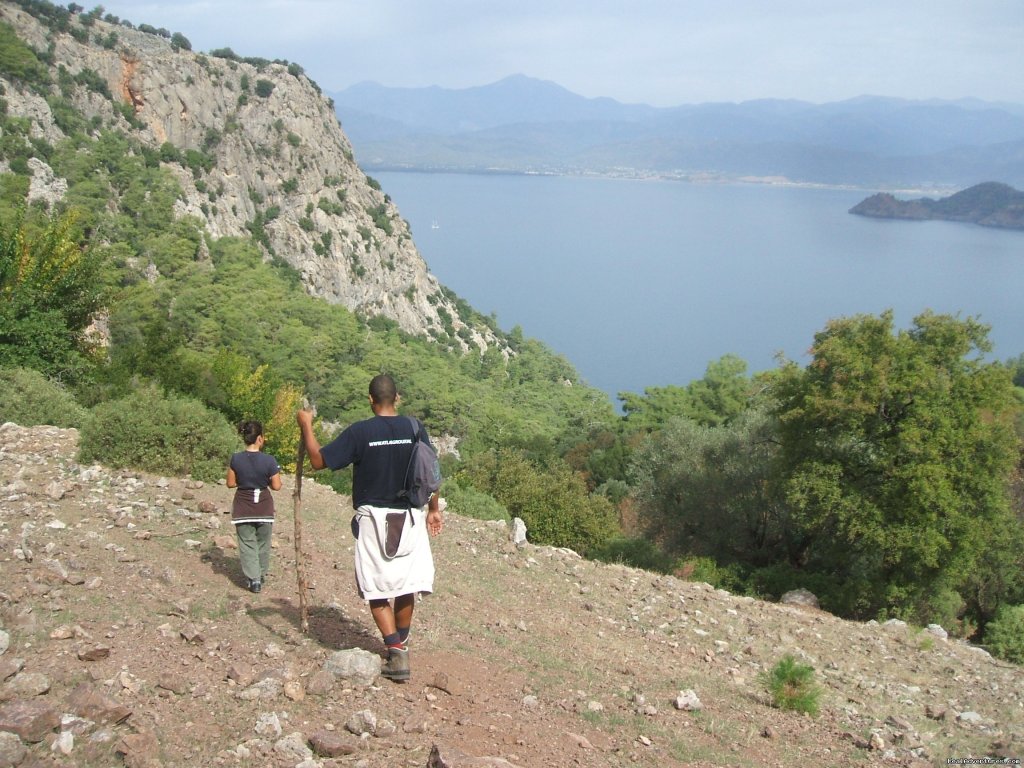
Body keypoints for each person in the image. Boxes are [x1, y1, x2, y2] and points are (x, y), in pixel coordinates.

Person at [296, 374, 443, 682]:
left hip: (374, 520)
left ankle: (397, 652)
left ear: (370, 400)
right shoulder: (415, 428)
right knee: (406, 585)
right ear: (398, 398)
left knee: (376, 587)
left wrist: (306, 426)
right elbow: (431, 470)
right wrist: (433, 509)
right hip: (411, 517)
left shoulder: (360, 433)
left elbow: (318, 461)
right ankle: (401, 643)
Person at [226, 420, 282, 594]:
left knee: (247, 544)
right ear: (260, 438)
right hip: (264, 508)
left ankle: (254, 578)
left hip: (243, 507)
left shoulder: (236, 459)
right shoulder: (269, 460)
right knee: (263, 543)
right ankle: (261, 574)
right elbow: (277, 486)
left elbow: (230, 483)